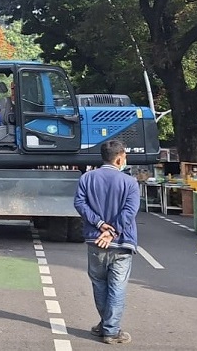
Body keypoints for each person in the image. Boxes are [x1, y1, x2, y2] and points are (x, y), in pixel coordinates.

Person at [73, 140, 139, 345]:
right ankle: (111, 330)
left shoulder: (87, 178)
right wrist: (113, 231)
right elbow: (130, 211)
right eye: (125, 156)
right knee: (117, 287)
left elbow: (79, 203)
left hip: (95, 241)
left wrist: (100, 224)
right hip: (122, 243)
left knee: (99, 284)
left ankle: (105, 325)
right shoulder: (130, 182)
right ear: (119, 158)